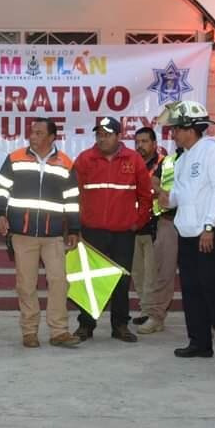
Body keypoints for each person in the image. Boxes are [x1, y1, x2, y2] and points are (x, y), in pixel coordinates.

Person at [157, 100, 215, 363]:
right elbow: (182, 195)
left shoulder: (213, 153)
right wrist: (166, 198)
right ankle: (199, 342)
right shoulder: (183, 159)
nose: (173, 135)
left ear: (190, 129)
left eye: (176, 130)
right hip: (188, 233)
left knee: (213, 288)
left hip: (210, 231)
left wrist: (208, 227)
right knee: (192, 288)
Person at [0, 118, 81, 348]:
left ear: (52, 137)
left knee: (59, 281)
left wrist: (73, 228)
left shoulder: (65, 163)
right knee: (26, 284)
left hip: (53, 235)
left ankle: (59, 331)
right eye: (32, 132)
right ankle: (29, 331)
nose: (33, 136)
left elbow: (72, 200)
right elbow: (0, 190)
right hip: (22, 233)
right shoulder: (14, 159)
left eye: (39, 133)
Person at [72, 116, 152, 343]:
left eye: (107, 134)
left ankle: (120, 326)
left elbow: (146, 197)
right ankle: (86, 325)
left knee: (121, 281)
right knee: (90, 280)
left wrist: (137, 222)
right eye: (99, 134)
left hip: (123, 233)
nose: (102, 138)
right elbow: (72, 194)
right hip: (92, 231)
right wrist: (76, 224)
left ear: (119, 136)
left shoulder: (133, 160)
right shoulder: (85, 159)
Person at [137, 134, 184, 335]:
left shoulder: (206, 157)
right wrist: (160, 191)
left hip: (197, 223)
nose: (176, 135)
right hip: (168, 221)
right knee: (162, 273)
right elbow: (154, 181)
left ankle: (207, 319)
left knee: (201, 275)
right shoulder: (168, 160)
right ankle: (156, 317)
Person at [131, 127, 163, 326]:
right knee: (138, 272)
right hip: (134, 225)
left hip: (155, 225)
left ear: (154, 144)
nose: (140, 145)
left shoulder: (162, 164)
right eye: (138, 142)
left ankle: (153, 313)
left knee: (152, 273)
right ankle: (144, 309)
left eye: (144, 141)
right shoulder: (131, 163)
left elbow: (159, 191)